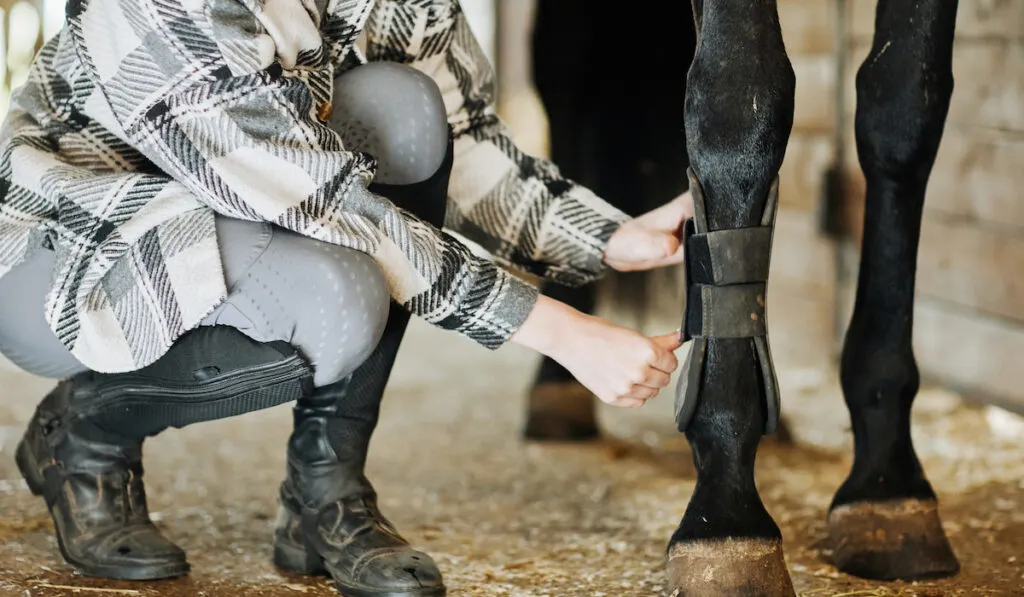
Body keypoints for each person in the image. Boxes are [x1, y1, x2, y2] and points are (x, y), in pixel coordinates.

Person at [0, 1, 692, 595]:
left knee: (405, 108)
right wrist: (563, 332)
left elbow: (464, 140)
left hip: (238, 210)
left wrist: (608, 238)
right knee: (341, 301)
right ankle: (85, 435)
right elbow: (326, 202)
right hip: (79, 249)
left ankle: (322, 491)